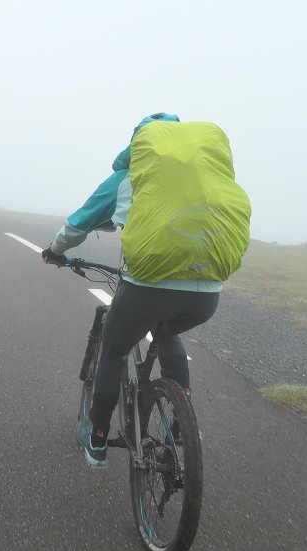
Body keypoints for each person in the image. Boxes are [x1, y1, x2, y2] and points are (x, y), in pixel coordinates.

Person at [42, 112, 251, 468]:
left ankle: (97, 440)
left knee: (113, 349)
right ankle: (182, 418)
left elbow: (78, 224)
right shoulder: (206, 180)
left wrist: (56, 251)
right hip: (206, 295)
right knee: (167, 333)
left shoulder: (126, 178)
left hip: (147, 289)